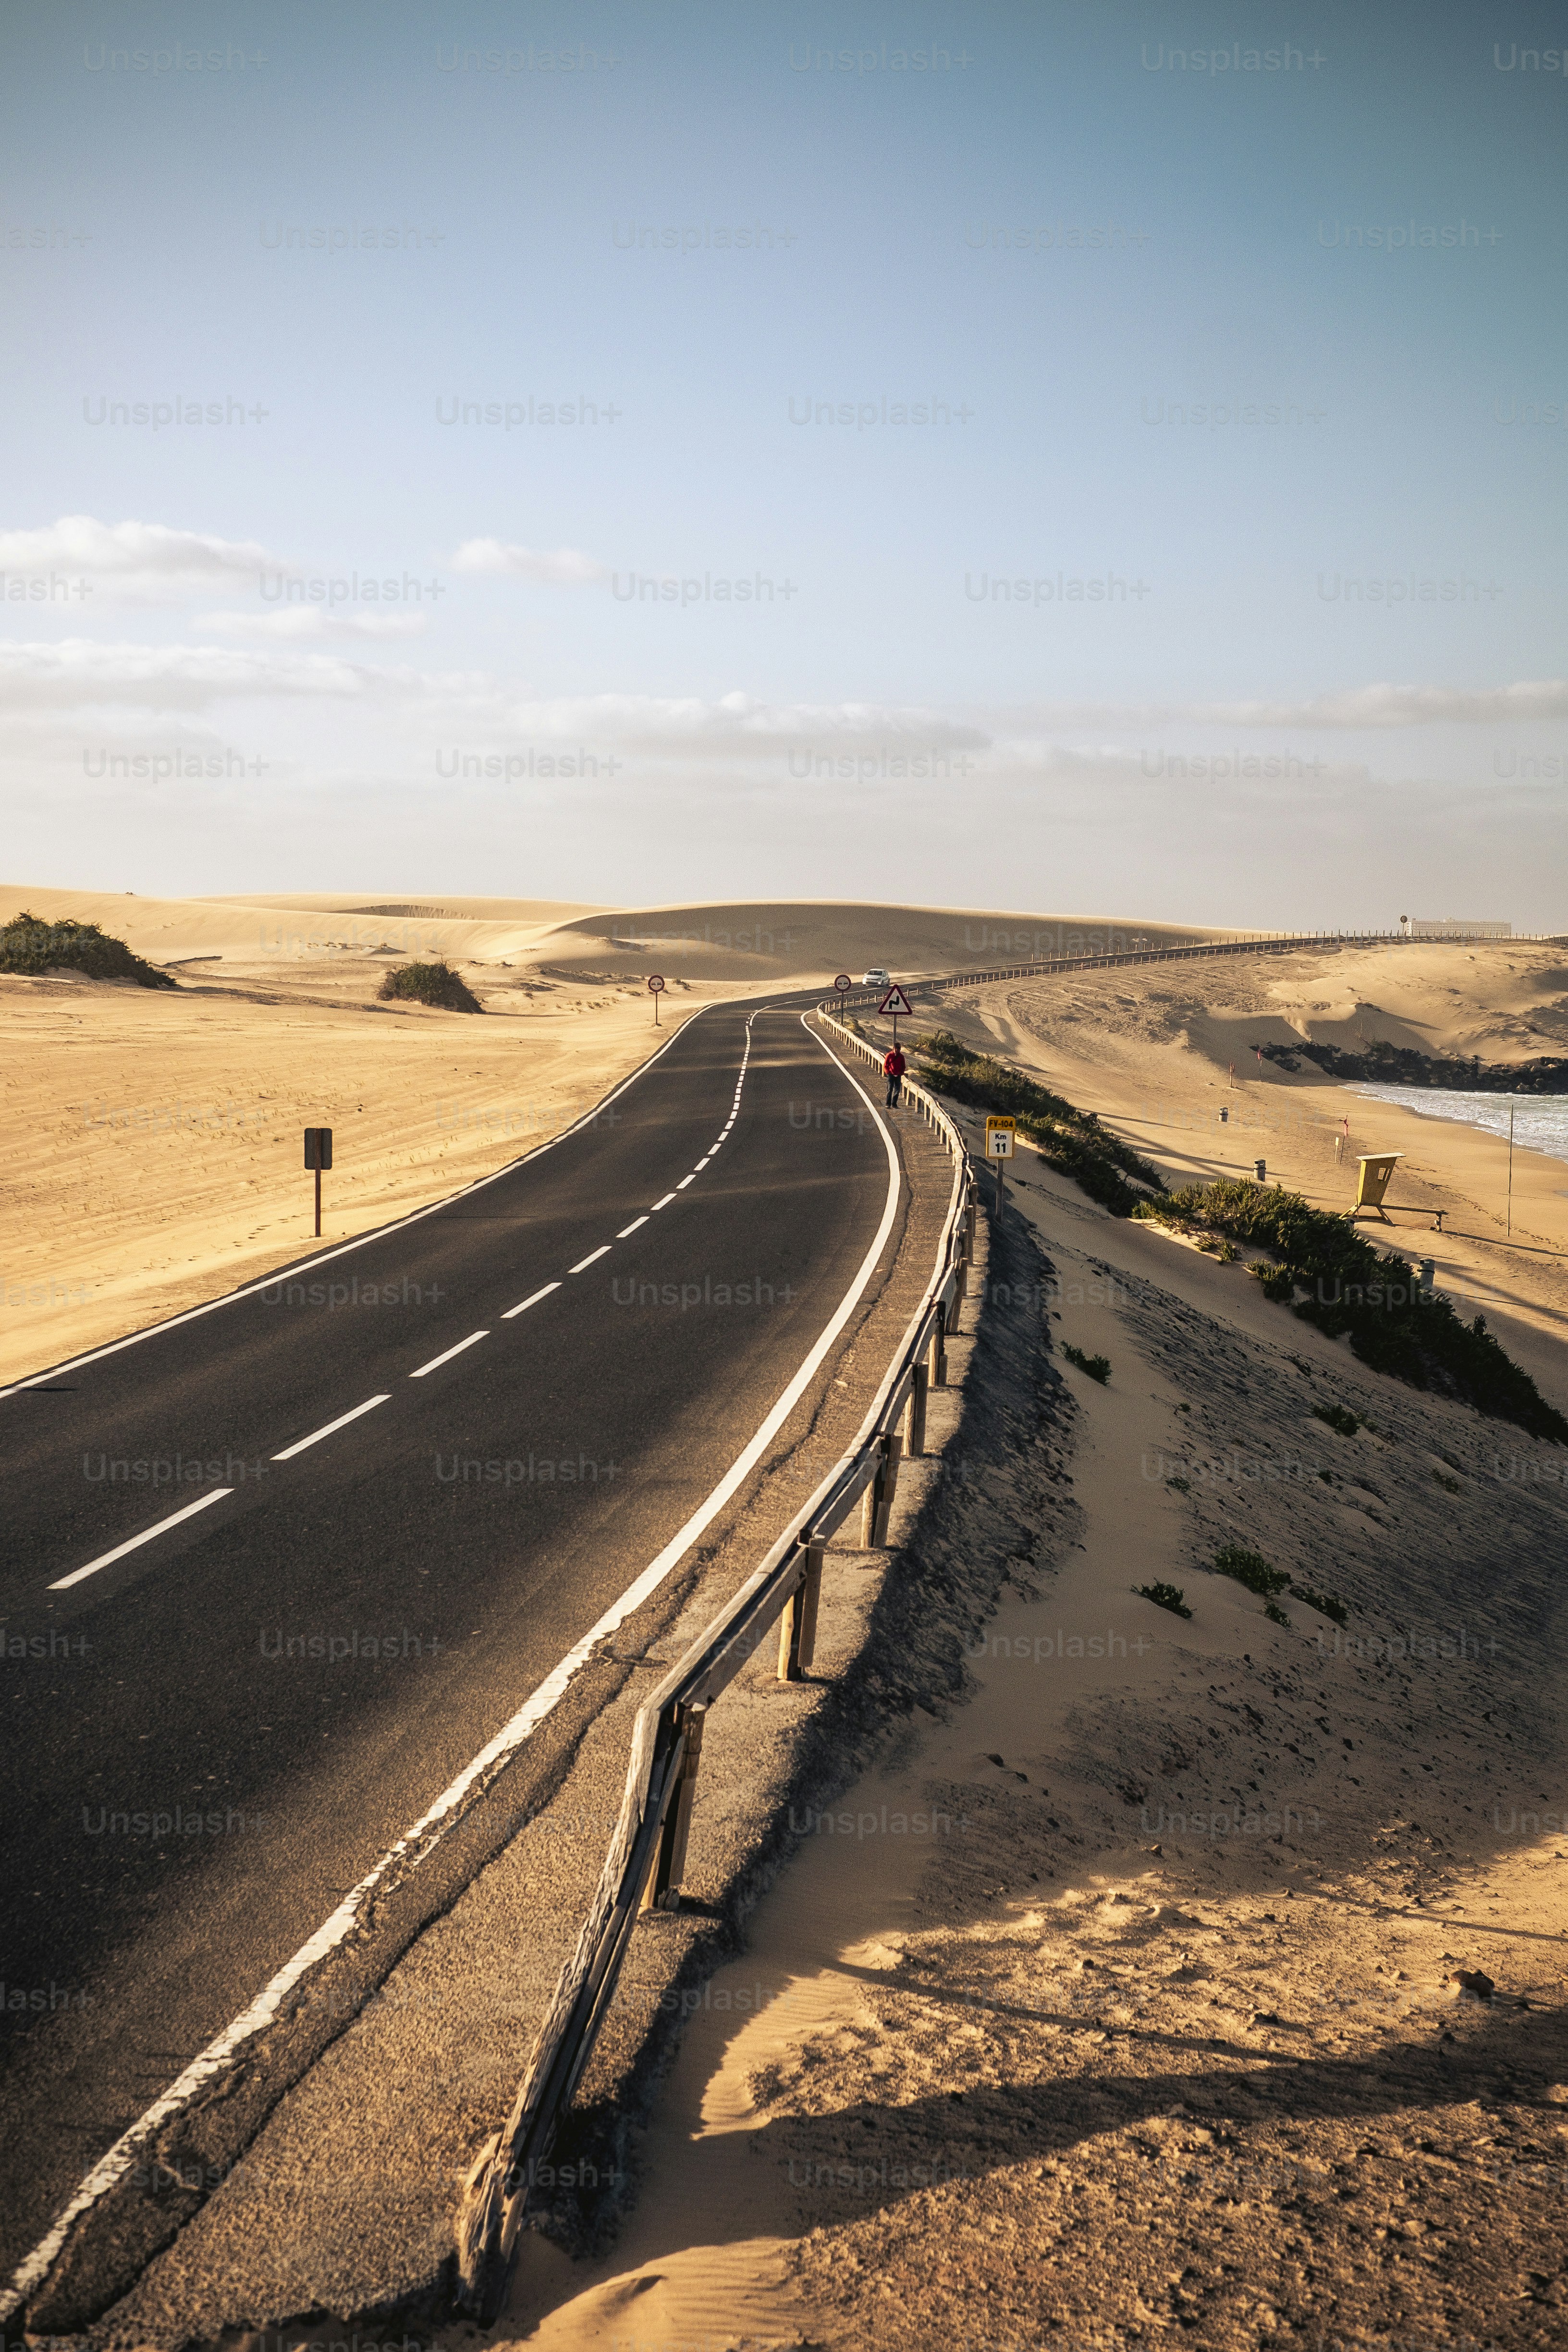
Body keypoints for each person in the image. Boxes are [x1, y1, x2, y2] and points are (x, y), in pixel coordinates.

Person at [882, 1041, 907, 1108]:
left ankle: (894, 1104)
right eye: (897, 1048)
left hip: (898, 1075)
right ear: (894, 1048)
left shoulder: (902, 1056)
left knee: (897, 1090)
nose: (898, 1050)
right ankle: (888, 1104)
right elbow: (886, 1065)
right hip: (891, 1074)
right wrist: (888, 1072)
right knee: (890, 1089)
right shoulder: (889, 1055)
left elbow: (904, 1066)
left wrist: (901, 1073)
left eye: (899, 1049)